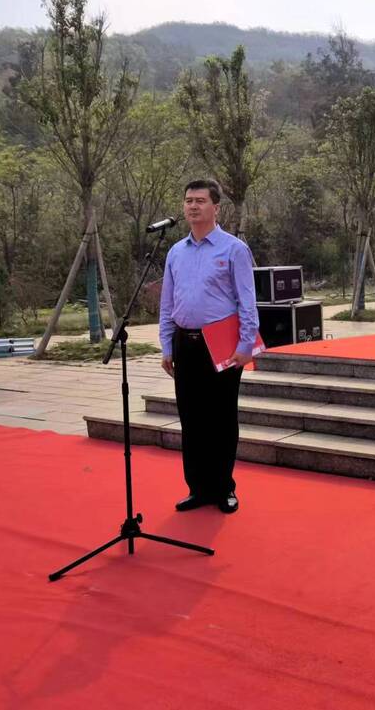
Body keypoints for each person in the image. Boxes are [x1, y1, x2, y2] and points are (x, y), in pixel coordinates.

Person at [158, 179, 259, 514]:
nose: (192, 206)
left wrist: (246, 345)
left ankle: (224, 487)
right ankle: (198, 488)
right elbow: (167, 303)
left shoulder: (233, 249)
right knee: (191, 418)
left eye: (200, 200)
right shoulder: (176, 251)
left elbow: (247, 301)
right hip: (184, 344)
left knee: (221, 418)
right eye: (188, 200)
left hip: (221, 344)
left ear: (216, 207)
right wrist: (167, 346)